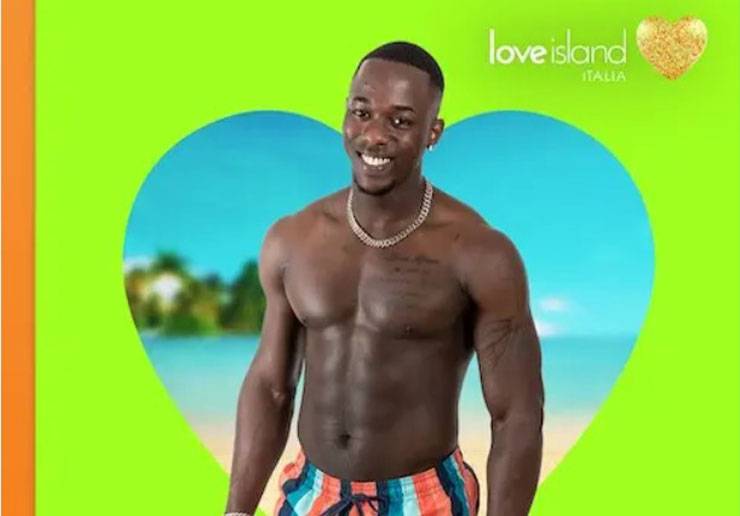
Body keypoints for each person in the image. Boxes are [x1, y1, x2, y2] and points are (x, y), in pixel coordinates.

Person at [224, 41, 544, 516]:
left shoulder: (480, 254)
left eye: (400, 121)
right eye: (362, 113)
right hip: (312, 493)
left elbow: (516, 414)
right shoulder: (293, 240)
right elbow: (271, 386)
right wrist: (236, 510)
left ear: (432, 133)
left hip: (423, 499)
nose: (374, 135)